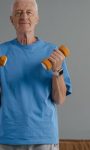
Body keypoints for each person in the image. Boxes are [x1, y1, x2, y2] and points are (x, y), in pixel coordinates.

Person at [0, 0, 72, 149]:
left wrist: (57, 70)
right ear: (11, 19)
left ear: (37, 18)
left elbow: (59, 99)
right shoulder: (1, 52)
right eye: (18, 12)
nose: (24, 17)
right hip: (9, 137)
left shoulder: (53, 52)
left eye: (29, 12)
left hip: (44, 137)